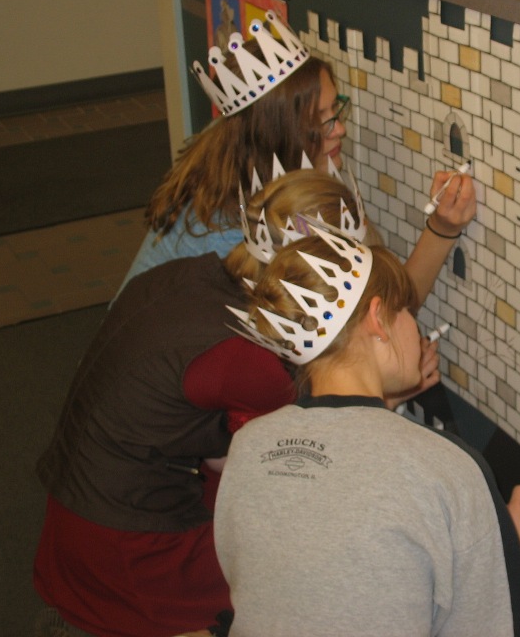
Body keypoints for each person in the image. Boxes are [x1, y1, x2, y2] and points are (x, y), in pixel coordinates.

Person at [34, 170, 434, 637]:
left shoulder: (190, 276)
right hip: (126, 549)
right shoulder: (253, 359)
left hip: (72, 511)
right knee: (307, 573)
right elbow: (309, 479)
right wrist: (386, 397)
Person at [216, 224, 520, 636]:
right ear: (378, 320)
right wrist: (515, 552)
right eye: (407, 312)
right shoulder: (448, 467)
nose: (415, 328)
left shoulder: (249, 445)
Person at [120, 10, 475, 311]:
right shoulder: (264, 236)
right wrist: (442, 229)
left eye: (335, 109)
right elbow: (387, 312)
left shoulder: (231, 146)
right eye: (319, 122)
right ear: (279, 138)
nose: (340, 129)